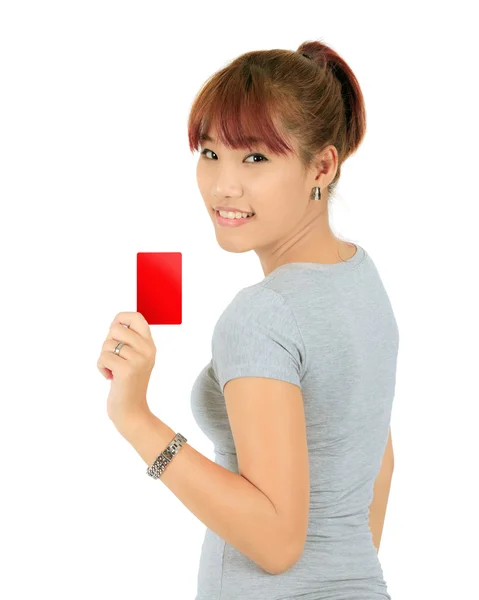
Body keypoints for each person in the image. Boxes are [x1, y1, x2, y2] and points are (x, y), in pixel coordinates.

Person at [188, 40, 398, 599]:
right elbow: (378, 463)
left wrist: (137, 421)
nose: (222, 185)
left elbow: (277, 543)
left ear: (322, 165)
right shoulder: (361, 277)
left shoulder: (261, 315)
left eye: (255, 157)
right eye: (210, 153)